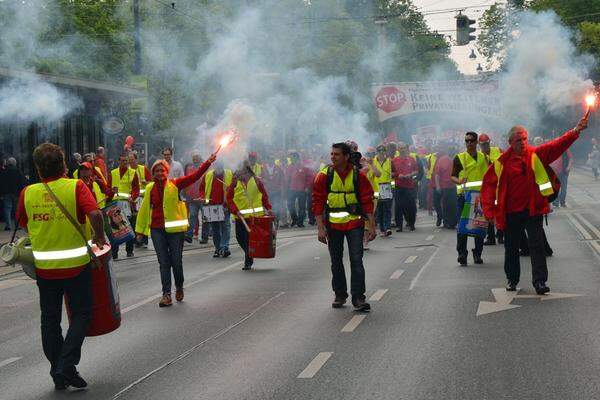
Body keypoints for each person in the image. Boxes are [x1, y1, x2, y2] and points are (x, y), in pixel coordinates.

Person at [15, 143, 106, 390]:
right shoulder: (75, 186)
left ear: (38, 168)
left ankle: (58, 371)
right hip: (76, 266)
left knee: (50, 320)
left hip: (45, 269)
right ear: (64, 164)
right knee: (82, 314)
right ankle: (66, 365)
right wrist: (99, 236)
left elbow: (23, 223)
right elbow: (96, 214)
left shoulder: (28, 192)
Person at [481, 114, 588, 294]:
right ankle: (512, 279)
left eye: (524, 139)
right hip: (510, 213)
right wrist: (489, 211)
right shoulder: (501, 163)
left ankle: (539, 282)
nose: (522, 142)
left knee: (537, 246)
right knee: (511, 248)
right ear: (510, 142)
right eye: (518, 140)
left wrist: (576, 131)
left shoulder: (535, 155)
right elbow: (488, 186)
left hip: (533, 210)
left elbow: (557, 145)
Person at [135, 153, 216, 307]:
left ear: (167, 171)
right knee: (164, 263)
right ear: (153, 173)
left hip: (175, 231)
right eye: (156, 171)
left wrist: (208, 162)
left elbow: (195, 176)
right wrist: (140, 231)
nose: (159, 173)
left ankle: (179, 286)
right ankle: (166, 294)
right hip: (157, 230)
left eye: (162, 170)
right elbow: (144, 210)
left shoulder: (175, 184)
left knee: (176, 262)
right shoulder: (150, 188)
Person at [312, 142, 376, 311]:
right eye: (332, 154)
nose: (333, 157)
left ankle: (358, 298)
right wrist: (320, 227)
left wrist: (372, 225)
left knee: (356, 260)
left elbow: (367, 200)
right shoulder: (324, 175)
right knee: (336, 261)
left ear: (346, 156)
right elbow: (317, 202)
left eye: (337, 154)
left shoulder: (358, 175)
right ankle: (340, 295)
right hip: (333, 226)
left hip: (355, 224)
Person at [451, 131, 488, 266]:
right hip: (464, 197)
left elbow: (488, 176)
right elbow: (452, 176)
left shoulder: (484, 157)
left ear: (476, 142)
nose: (469, 143)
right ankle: (462, 254)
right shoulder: (459, 157)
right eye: (466, 141)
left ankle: (477, 253)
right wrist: (459, 181)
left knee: (479, 225)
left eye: (472, 141)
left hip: (479, 197)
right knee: (463, 227)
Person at [226, 161, 272, 270]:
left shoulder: (256, 181)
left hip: (254, 217)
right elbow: (229, 199)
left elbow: (264, 195)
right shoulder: (234, 182)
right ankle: (249, 254)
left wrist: (268, 208)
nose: (236, 172)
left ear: (245, 170)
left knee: (249, 239)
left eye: (239, 170)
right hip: (240, 217)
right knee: (240, 238)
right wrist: (235, 210)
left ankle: (248, 260)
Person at [199, 161, 233, 257]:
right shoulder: (208, 175)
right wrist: (203, 198)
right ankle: (218, 249)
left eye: (221, 165)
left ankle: (224, 247)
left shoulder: (229, 173)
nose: (219, 167)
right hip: (211, 205)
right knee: (215, 229)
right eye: (217, 165)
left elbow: (235, 187)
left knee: (225, 226)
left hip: (224, 205)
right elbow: (202, 188)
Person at [109, 153, 140, 259]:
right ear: (119, 161)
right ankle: (114, 252)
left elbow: (136, 188)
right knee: (115, 229)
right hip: (114, 205)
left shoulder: (132, 173)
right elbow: (108, 188)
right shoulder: (113, 173)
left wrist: (133, 197)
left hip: (127, 204)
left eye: (126, 161)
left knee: (128, 228)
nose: (125, 162)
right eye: (122, 161)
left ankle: (129, 250)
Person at [478, 134, 503, 245]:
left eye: (487, 144)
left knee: (500, 210)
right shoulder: (478, 156)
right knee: (487, 213)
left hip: (498, 187)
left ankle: (501, 235)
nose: (485, 146)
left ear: (490, 142)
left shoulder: (498, 150)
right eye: (483, 144)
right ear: (479, 145)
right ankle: (491, 237)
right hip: (486, 189)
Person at [391, 142, 419, 232]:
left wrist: (410, 174)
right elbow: (391, 172)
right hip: (398, 186)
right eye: (400, 148)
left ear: (406, 149)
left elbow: (416, 171)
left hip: (409, 186)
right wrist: (398, 175)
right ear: (398, 149)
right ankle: (399, 226)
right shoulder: (394, 160)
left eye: (404, 148)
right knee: (398, 207)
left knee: (411, 206)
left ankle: (411, 224)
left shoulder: (411, 159)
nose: (402, 149)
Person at [183, 152, 208, 244]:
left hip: (202, 197)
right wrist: (185, 193)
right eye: (194, 158)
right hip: (192, 196)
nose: (195, 159)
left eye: (196, 157)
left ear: (200, 158)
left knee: (205, 217)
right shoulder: (189, 168)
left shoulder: (205, 167)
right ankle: (189, 235)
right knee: (192, 216)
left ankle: (204, 236)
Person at [129, 151, 151, 248]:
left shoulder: (143, 169)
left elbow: (151, 182)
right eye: (129, 160)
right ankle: (136, 239)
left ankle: (145, 239)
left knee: (144, 218)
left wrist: (146, 182)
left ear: (136, 160)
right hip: (133, 199)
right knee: (134, 219)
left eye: (132, 160)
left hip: (143, 198)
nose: (131, 162)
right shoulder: (128, 171)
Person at [432, 143, 457, 229]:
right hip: (444, 187)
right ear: (447, 151)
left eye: (453, 149)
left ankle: (453, 222)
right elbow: (437, 174)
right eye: (450, 149)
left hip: (454, 186)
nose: (451, 151)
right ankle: (446, 222)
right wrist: (438, 186)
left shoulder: (458, 159)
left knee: (453, 205)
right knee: (446, 205)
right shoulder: (442, 160)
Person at [1, 157, 27, 231]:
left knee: (7, 209)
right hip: (16, 192)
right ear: (14, 163)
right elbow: (22, 181)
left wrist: (2, 193)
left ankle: (8, 225)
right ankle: (17, 225)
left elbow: (1, 183)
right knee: (16, 209)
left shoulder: (3, 171)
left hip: (6, 192)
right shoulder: (17, 171)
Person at [373, 144, 393, 236]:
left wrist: (392, 183)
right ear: (377, 152)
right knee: (380, 210)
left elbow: (393, 173)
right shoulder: (373, 162)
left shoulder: (389, 161)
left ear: (385, 152)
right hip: (377, 189)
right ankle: (382, 229)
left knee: (388, 209)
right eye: (379, 151)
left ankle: (388, 228)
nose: (381, 153)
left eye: (383, 151)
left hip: (387, 188)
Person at [286, 151, 310, 227]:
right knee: (290, 205)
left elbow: (308, 178)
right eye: (290, 158)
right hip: (292, 189)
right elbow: (287, 178)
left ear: (296, 158)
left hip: (302, 190)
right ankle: (295, 219)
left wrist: (307, 187)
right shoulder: (289, 167)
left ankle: (300, 222)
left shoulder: (303, 166)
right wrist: (287, 188)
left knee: (302, 207)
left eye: (292, 158)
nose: (290, 159)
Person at [262, 154, 286, 226]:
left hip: (277, 191)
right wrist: (264, 181)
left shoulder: (278, 168)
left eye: (272, 159)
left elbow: (282, 180)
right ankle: (270, 221)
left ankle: (276, 221)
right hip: (268, 191)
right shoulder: (263, 169)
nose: (270, 160)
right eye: (269, 159)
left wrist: (282, 190)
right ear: (267, 160)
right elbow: (261, 178)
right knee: (269, 206)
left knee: (277, 206)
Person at [550, 143, 573, 207]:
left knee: (564, 188)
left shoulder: (566, 150)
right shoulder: (553, 150)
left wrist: (568, 167)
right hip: (555, 172)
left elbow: (571, 158)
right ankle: (556, 202)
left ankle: (562, 202)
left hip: (564, 172)